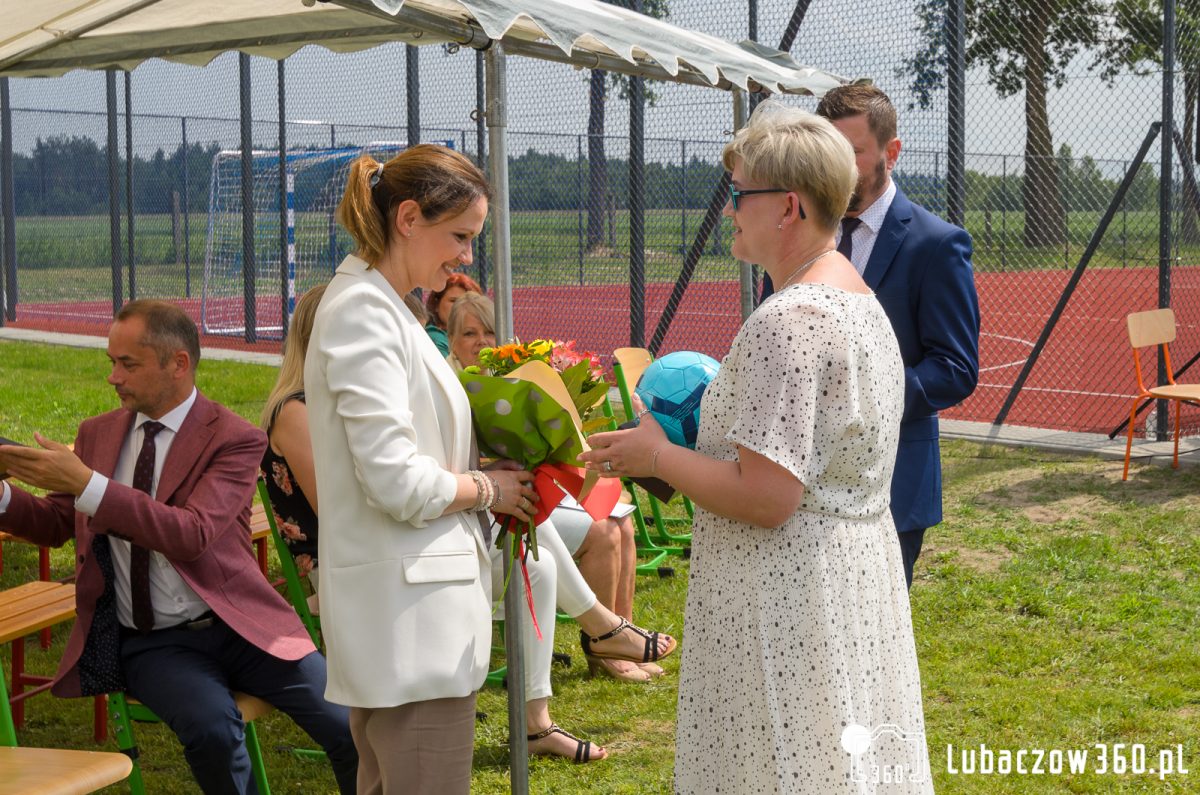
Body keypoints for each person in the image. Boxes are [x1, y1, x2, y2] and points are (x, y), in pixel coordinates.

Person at [582, 105, 932, 793]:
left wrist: (656, 457)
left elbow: (770, 497)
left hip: (786, 601)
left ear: (790, 207)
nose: (729, 211)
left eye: (740, 195)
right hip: (848, 583)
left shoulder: (790, 319)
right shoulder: (858, 300)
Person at [304, 145, 671, 790]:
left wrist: (490, 459)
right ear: (408, 218)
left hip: (413, 621)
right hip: (409, 627)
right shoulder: (363, 312)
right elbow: (394, 478)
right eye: (461, 236)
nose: (467, 257)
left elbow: (410, 449)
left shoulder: (387, 305)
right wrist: (488, 487)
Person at [0, 299, 358, 795]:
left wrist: (89, 484)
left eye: (128, 364)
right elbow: (58, 522)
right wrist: (3, 491)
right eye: (111, 363)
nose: (113, 378)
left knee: (350, 728)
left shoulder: (233, 437)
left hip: (243, 624)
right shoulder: (97, 433)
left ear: (178, 364)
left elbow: (190, 534)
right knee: (212, 728)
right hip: (155, 640)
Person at [763, 84, 981, 588]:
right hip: (801, 481)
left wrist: (861, 396)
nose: (839, 166)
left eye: (854, 152)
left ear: (892, 152)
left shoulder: (937, 244)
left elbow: (955, 369)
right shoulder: (797, 233)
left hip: (892, 484)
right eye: (829, 150)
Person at [446, 293, 659, 683]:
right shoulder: (450, 387)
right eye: (468, 333)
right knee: (604, 533)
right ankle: (605, 648)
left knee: (623, 524)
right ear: (451, 341)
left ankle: (620, 634)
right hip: (489, 505)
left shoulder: (507, 379)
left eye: (489, 331)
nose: (480, 342)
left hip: (521, 492)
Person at [260, 284, 327, 609]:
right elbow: (332, 511)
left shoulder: (329, 403)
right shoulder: (294, 412)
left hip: (366, 553)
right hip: (337, 567)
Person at [424, 271, 483, 356]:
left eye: (467, 302)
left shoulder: (483, 339)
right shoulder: (435, 337)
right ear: (436, 304)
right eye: (453, 301)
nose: (459, 306)